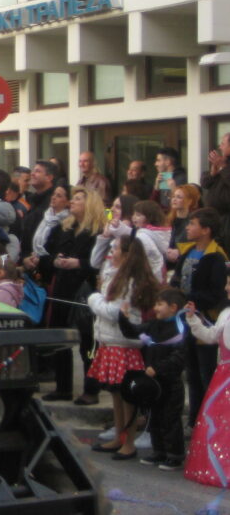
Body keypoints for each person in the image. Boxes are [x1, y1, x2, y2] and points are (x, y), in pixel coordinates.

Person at [86, 236, 160, 460]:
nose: (111, 251)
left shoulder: (130, 281)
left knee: (128, 396)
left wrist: (94, 298)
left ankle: (129, 442)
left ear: (127, 254)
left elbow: (115, 311)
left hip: (123, 343)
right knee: (116, 394)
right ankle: (119, 436)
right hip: (111, 340)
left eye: (115, 248)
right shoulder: (116, 274)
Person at [37, 186, 108, 404]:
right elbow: (46, 254)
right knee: (60, 338)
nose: (73, 202)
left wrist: (79, 263)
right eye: (74, 198)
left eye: (78, 199)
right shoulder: (64, 228)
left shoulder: (98, 232)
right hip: (62, 287)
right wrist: (54, 261)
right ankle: (63, 386)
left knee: (88, 342)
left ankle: (91, 388)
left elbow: (103, 263)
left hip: (85, 289)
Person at [170, 208, 228, 427]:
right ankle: (194, 420)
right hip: (186, 319)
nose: (188, 227)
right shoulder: (187, 252)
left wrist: (187, 298)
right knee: (192, 374)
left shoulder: (216, 257)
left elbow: (216, 293)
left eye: (193, 224)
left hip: (205, 322)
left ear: (206, 230)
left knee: (206, 376)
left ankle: (209, 422)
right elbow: (178, 278)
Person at [118, 287, 187, 471]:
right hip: (153, 383)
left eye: (159, 304)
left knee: (170, 419)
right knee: (153, 417)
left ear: (173, 307)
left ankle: (175, 455)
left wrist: (157, 368)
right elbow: (132, 332)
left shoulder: (180, 328)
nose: (155, 308)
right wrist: (122, 318)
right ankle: (159, 452)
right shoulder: (152, 325)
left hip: (170, 382)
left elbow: (179, 357)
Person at [185, 270, 230, 485]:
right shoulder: (225, 314)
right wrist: (193, 319)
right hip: (223, 377)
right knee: (219, 422)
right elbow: (211, 336)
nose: (227, 288)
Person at [20, 160, 58, 257]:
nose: (32, 174)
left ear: (49, 177)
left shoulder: (54, 202)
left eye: (37, 171)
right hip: (28, 257)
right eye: (33, 171)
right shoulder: (31, 199)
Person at [202, 132, 230, 253]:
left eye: (223, 143)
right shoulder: (221, 163)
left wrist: (223, 167)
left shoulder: (224, 166)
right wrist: (213, 172)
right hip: (215, 218)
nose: (220, 147)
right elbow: (205, 183)